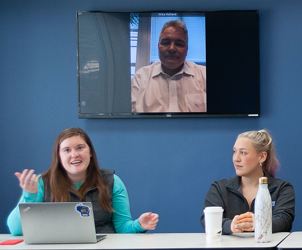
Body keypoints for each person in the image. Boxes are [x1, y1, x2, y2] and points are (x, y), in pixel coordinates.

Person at [6, 128, 159, 235]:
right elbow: (16, 230)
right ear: (58, 156)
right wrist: (29, 196)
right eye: (67, 150)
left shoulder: (113, 181)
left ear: (90, 152)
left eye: (80, 148)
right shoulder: (40, 183)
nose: (74, 155)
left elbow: (122, 227)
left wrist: (139, 225)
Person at [203, 129, 296, 235]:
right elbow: (208, 220)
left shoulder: (282, 189)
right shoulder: (219, 188)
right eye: (234, 151)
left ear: (262, 157)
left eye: (243, 153)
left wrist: (258, 223)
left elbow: (284, 221)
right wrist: (231, 225)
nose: (236, 158)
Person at [132, 19, 207, 113]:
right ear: (158, 46)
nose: (172, 48)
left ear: (187, 49)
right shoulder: (140, 77)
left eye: (179, 44)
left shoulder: (204, 75)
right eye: (166, 42)